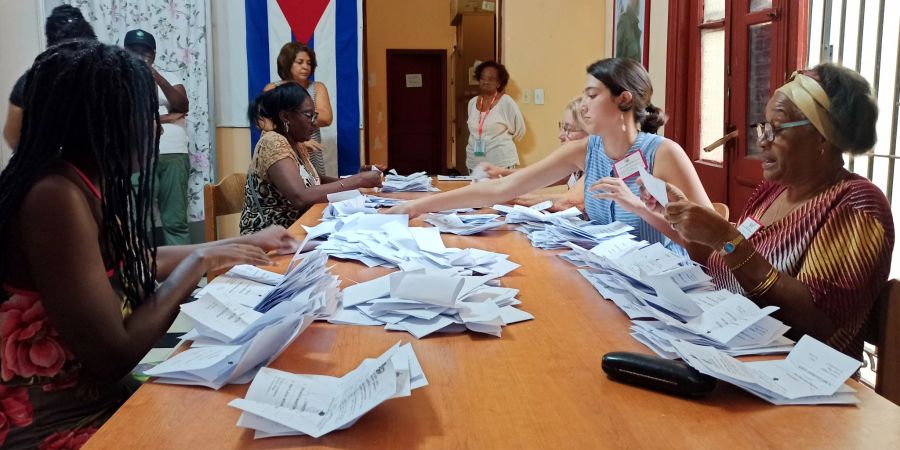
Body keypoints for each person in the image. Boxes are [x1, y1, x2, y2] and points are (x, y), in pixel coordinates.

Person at [0, 41, 296, 449]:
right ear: (101, 121)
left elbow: (131, 260)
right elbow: (114, 353)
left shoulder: (83, 181)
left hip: (97, 399)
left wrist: (238, 243)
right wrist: (198, 259)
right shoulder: (53, 194)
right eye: (145, 115)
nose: (157, 127)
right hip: (57, 425)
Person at [657, 63, 893, 358]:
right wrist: (681, 218)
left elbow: (818, 323)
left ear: (822, 135)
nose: (761, 140)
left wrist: (725, 238)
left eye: (776, 129)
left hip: (802, 382)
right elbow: (726, 264)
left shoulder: (856, 203)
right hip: (734, 353)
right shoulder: (772, 191)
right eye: (762, 127)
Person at [388, 58, 711, 255]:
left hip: (666, 287)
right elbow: (502, 188)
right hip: (613, 279)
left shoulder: (664, 154)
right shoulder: (587, 150)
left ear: (623, 100)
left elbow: (711, 243)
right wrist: (416, 206)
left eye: (592, 95)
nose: (583, 105)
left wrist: (639, 208)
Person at [241, 82, 383, 235]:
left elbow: (315, 180)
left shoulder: (296, 143)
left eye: (315, 116)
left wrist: (356, 178)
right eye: (309, 116)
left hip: (296, 231)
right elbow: (300, 196)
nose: (315, 124)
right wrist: (359, 181)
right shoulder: (273, 142)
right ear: (285, 116)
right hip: (267, 241)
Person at [124, 29, 192, 245]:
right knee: (137, 220)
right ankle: (138, 275)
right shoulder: (120, 80)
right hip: (139, 156)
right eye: (134, 50)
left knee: (175, 219)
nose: (140, 55)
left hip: (174, 153)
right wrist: (166, 117)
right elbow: (126, 116)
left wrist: (157, 77)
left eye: (145, 51)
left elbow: (182, 105)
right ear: (125, 52)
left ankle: (183, 275)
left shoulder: (170, 77)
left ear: (153, 54)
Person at [4, 4, 96, 150]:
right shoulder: (102, 76)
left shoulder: (30, 81)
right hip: (81, 166)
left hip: (52, 165)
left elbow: (12, 137)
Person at [477, 96, 588, 211]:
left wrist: (503, 196)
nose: (560, 136)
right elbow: (538, 176)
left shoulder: (597, 164)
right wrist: (501, 173)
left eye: (568, 129)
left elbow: (569, 202)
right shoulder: (574, 166)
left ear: (590, 134)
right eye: (562, 127)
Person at [265, 42, 333, 178]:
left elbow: (326, 118)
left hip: (311, 151)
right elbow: (264, 121)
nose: (305, 67)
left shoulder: (318, 87)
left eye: (309, 63)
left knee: (315, 187)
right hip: (282, 150)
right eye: (300, 62)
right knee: (288, 186)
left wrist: (289, 118)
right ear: (287, 63)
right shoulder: (273, 88)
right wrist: (297, 142)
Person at [465, 60, 526, 173]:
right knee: (477, 191)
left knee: (501, 191)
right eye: (483, 78)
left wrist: (499, 141)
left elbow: (520, 131)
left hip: (501, 163)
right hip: (474, 163)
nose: (486, 82)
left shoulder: (506, 102)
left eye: (491, 79)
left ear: (499, 83)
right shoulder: (472, 102)